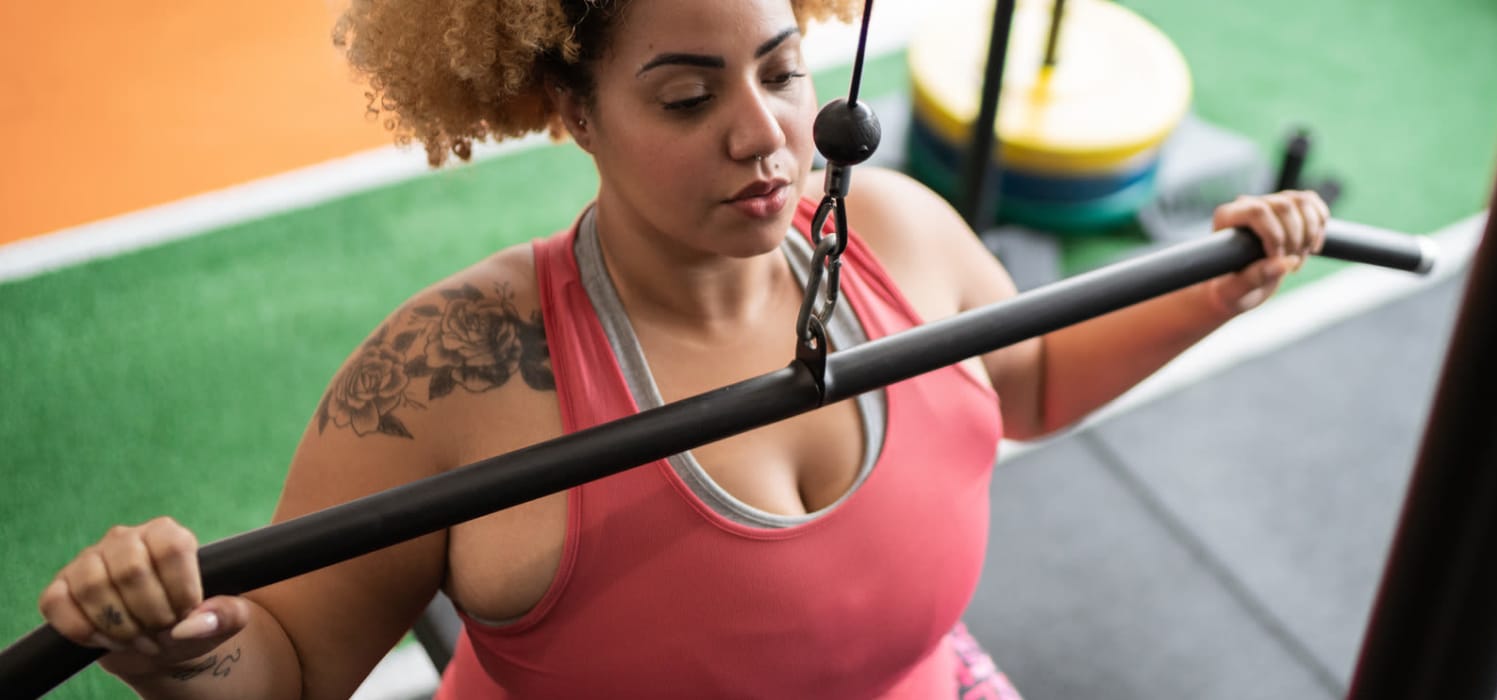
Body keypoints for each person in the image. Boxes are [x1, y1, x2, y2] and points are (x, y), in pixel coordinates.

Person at [34, 0, 1330, 697]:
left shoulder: (886, 222)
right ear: (567, 108)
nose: (765, 135)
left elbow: (1033, 381)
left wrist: (1215, 286)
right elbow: (298, 674)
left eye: (778, 71)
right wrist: (181, 648)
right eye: (686, 95)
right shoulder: (460, 369)